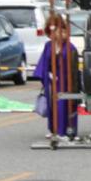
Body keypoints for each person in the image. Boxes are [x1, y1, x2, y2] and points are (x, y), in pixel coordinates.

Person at [32, 12, 80, 141]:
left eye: (58, 30)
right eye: (51, 32)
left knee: (65, 105)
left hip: (66, 81)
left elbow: (74, 68)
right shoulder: (48, 45)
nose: (55, 34)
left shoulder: (70, 47)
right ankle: (53, 129)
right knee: (53, 106)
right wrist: (47, 75)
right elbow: (43, 63)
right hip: (52, 81)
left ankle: (67, 130)